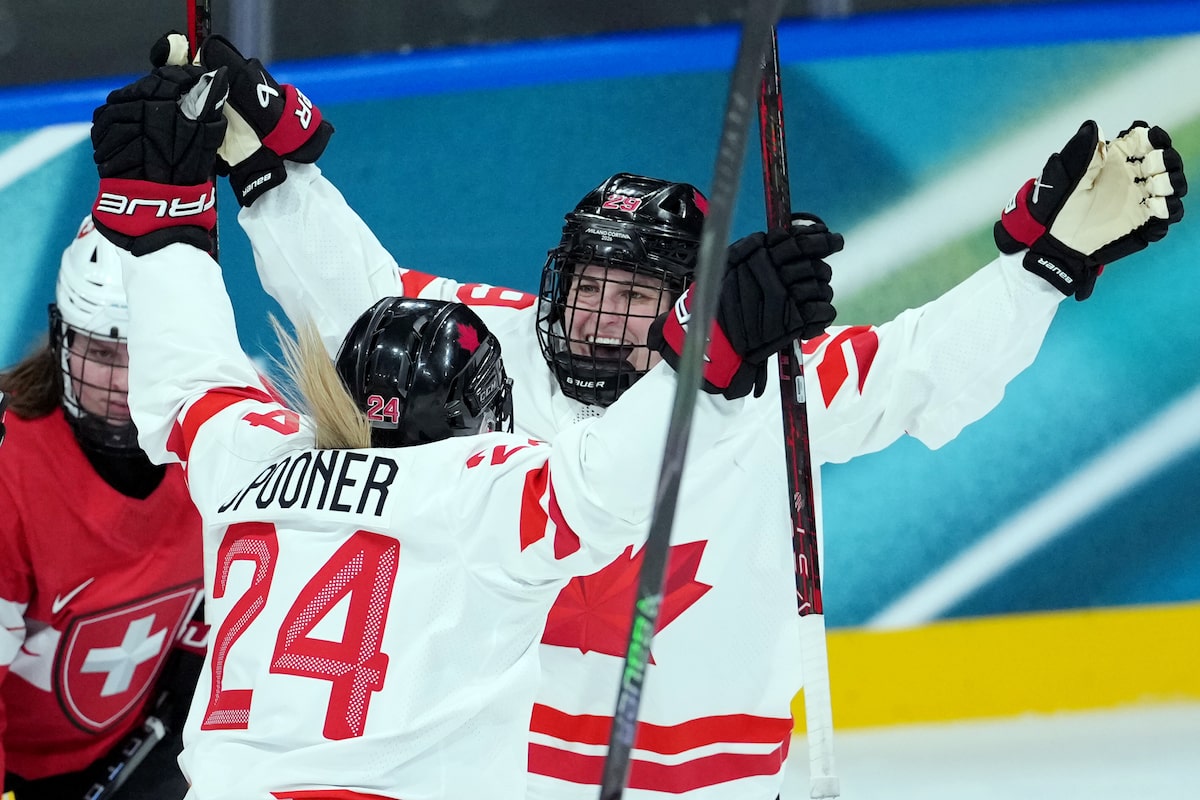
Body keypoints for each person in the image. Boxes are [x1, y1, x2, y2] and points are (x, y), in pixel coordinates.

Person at [180, 36, 1187, 798]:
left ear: (695, 303)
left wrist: (1045, 266)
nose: (602, 320)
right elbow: (356, 293)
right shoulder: (497, 344)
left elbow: (923, 368)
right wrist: (270, 175)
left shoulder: (766, 388)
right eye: (588, 289)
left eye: (637, 295)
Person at [86, 62, 834, 799]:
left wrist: (162, 220)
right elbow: (604, 485)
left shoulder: (252, 462)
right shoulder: (478, 496)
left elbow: (188, 384)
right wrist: (709, 353)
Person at [0, 216, 207, 799]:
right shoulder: (9, 473)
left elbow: (232, 591)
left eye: (146, 351)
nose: (125, 381)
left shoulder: (225, 434)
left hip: (147, 733)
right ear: (63, 338)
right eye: (101, 352)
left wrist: (190, 677)